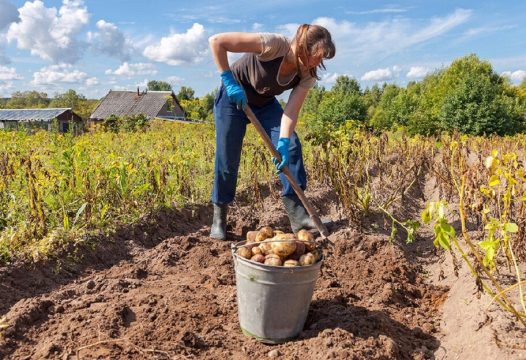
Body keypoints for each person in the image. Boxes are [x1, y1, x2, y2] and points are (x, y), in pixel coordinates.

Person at [208, 24, 335, 240]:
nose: (317, 63)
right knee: (227, 160)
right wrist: (229, 81)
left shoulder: (308, 74)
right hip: (233, 98)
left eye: (321, 59)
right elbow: (217, 41)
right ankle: (219, 219)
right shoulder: (274, 44)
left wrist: (283, 141)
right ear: (303, 46)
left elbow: (290, 112)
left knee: (292, 146)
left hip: (264, 104)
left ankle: (298, 216)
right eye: (316, 56)